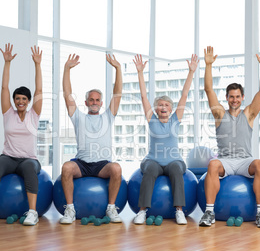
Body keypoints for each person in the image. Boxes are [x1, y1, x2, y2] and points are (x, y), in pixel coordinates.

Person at [199, 45, 260, 228]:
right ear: (226, 98)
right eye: (231, 97)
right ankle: (209, 212)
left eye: (238, 97)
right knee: (212, 164)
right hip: (226, 161)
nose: (234, 100)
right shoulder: (219, 115)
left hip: (245, 161)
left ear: (242, 97)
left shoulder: (248, 114)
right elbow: (208, 90)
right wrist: (208, 65)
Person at [0, 43, 43, 226]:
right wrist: (7, 63)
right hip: (8, 157)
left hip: (29, 159)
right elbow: (4, 88)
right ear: (14, 101)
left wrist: (37, 65)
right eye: (17, 98)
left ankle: (32, 212)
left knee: (29, 169)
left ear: (29, 102)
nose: (20, 101)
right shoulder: (8, 113)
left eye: (24, 99)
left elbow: (39, 91)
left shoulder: (34, 115)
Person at [132, 54, 199, 225]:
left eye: (166, 105)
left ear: (171, 108)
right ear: (155, 108)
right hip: (153, 160)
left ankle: (179, 211)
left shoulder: (176, 119)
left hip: (173, 161)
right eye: (160, 105)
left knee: (177, 169)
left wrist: (191, 72)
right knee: (149, 172)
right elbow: (143, 96)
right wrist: (140, 72)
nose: (163, 107)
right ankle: (142, 211)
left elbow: (184, 95)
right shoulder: (152, 119)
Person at [59, 53, 123, 224]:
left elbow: (117, 94)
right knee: (66, 167)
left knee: (116, 168)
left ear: (101, 103)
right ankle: (70, 209)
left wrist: (117, 68)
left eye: (97, 100)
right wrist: (66, 69)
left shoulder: (108, 117)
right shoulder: (78, 117)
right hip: (82, 164)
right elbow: (67, 94)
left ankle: (111, 208)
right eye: (91, 100)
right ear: (86, 102)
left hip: (102, 165)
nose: (94, 102)